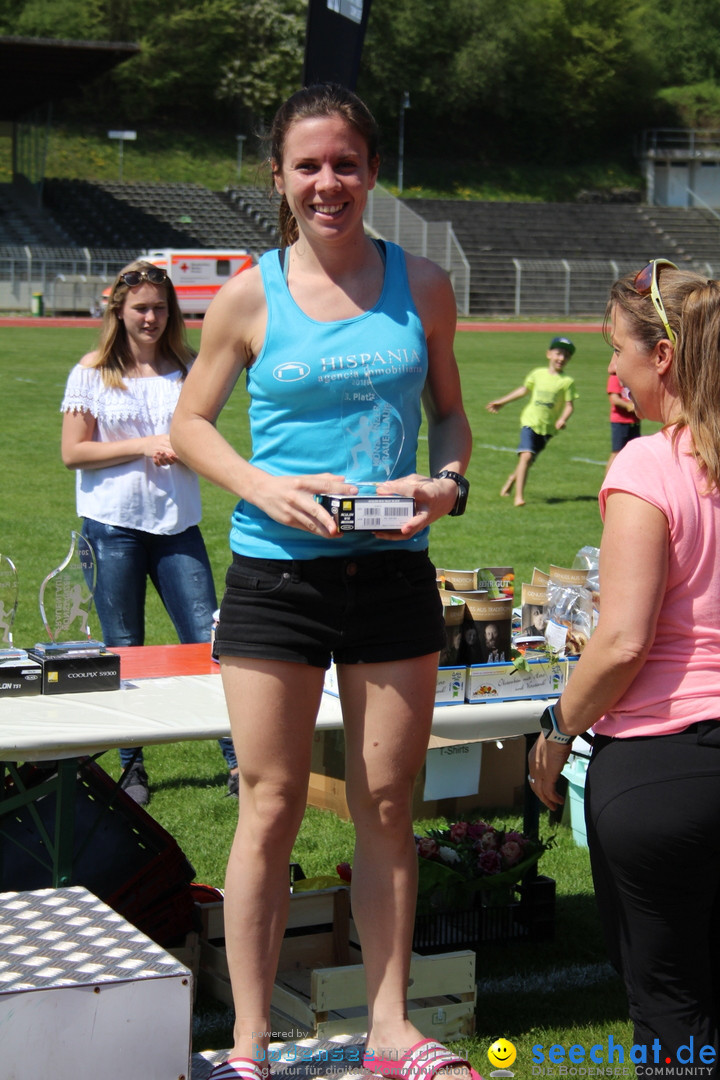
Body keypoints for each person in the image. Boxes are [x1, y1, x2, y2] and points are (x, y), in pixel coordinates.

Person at [170, 84, 476, 1080]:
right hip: (275, 576)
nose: (328, 182)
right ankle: (251, 1045)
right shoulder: (251, 293)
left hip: (392, 575)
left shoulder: (424, 284)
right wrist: (264, 482)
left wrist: (448, 483)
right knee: (270, 802)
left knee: (390, 804)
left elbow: (452, 419)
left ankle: (390, 1028)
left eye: (345, 163)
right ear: (280, 178)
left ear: (372, 171)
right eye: (309, 166)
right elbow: (190, 426)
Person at [528, 259, 720, 1076]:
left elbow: (621, 641)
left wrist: (554, 726)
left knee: (671, 1010)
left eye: (618, 349)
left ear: (664, 358)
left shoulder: (648, 464)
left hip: (663, 766)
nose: (612, 367)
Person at [60, 259, 238, 806]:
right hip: (111, 529)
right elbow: (74, 452)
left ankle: (237, 762)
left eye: (161, 308)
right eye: (141, 308)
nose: (152, 318)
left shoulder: (189, 367)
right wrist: (144, 443)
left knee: (210, 646)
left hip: (177, 527)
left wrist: (182, 444)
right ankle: (132, 771)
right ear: (119, 309)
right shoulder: (91, 371)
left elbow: (200, 437)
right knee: (124, 651)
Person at [486, 335, 578, 506]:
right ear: (549, 354)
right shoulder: (537, 374)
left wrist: (562, 419)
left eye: (566, 355)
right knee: (526, 456)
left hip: (548, 428)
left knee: (527, 461)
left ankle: (510, 481)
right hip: (530, 422)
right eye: (558, 353)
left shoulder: (567, 382)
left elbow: (569, 405)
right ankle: (518, 497)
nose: (562, 358)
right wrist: (502, 402)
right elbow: (523, 390)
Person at [605, 354, 640, 474]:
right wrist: (628, 406)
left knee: (633, 453)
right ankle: (607, 484)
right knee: (617, 452)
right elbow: (614, 398)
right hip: (620, 421)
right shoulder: (615, 377)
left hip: (634, 421)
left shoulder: (633, 377)